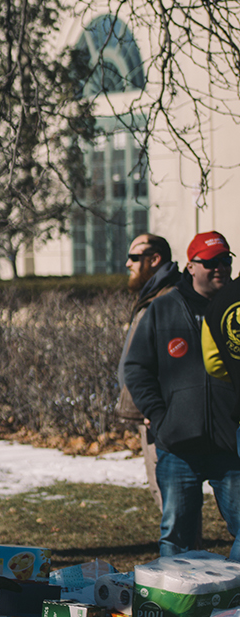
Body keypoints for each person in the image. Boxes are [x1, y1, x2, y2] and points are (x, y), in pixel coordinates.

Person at [123, 231, 240, 559]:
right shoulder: (163, 309)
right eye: (210, 262)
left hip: (229, 444)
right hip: (179, 445)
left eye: (226, 260)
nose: (220, 268)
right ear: (191, 266)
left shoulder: (236, 308)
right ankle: (177, 606)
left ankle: (229, 601)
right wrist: (161, 417)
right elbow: (136, 368)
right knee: (176, 537)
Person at [116, 233, 182, 512]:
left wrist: (154, 407)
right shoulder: (154, 295)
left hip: (158, 414)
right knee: (163, 493)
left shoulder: (168, 298)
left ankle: (181, 555)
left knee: (171, 497)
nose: (128, 264)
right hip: (152, 411)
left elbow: (174, 359)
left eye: (134, 257)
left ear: (154, 259)